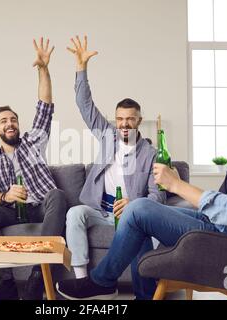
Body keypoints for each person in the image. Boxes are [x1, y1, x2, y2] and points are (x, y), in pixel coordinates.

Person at [56, 2, 227, 300]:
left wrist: (178, 184)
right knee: (136, 214)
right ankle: (119, 286)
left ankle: (104, 282)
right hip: (214, 223)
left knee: (136, 210)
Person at [59, 36, 168, 300]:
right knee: (75, 213)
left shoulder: (153, 155)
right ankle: (85, 282)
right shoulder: (107, 135)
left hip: (127, 213)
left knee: (139, 229)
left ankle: (145, 295)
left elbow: (159, 196)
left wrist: (134, 203)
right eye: (120, 119)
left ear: (139, 120)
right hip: (99, 209)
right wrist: (81, 69)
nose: (124, 124)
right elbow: (85, 106)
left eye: (130, 119)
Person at [0, 38, 67, 300]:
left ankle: (39, 273)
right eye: (4, 121)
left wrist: (43, 69)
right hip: (12, 212)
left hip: (39, 207)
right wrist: (5, 197)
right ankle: (5, 282)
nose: (10, 123)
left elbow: (45, 105)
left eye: (13, 119)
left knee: (58, 195)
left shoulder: (33, 141)